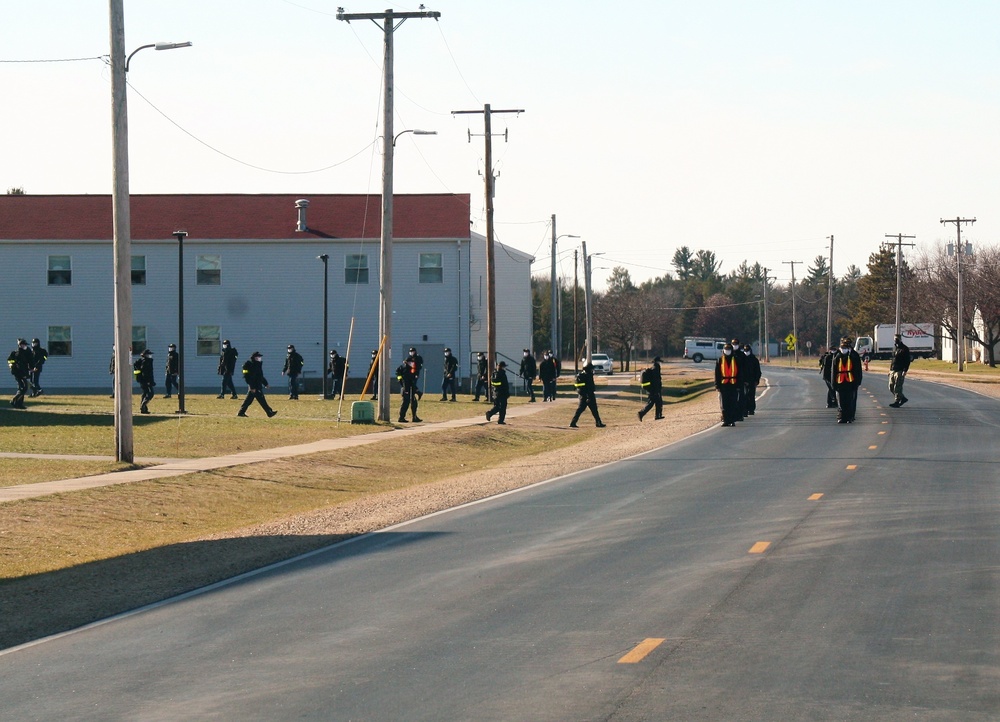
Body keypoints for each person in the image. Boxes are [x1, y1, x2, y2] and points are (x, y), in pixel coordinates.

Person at [831, 337, 863, 424]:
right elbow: (833, 371)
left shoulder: (853, 356)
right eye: (842, 348)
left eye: (845, 348)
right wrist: (833, 384)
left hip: (850, 382)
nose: (843, 349)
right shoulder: (837, 357)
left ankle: (850, 417)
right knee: (841, 401)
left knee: (850, 400)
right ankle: (842, 417)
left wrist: (857, 382)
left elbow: (857, 370)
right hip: (840, 382)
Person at [238, 351, 277, 418]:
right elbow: (248, 377)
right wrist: (252, 387)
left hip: (258, 385)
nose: (259, 358)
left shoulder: (258, 365)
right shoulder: (249, 365)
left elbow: (260, 376)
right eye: (258, 357)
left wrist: (266, 383)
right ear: (254, 358)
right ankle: (269, 412)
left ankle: (241, 412)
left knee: (250, 400)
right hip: (254, 386)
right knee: (261, 400)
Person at [570, 362, 605, 428]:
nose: (592, 370)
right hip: (588, 396)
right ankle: (598, 423)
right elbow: (589, 387)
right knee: (593, 409)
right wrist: (588, 397)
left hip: (583, 395)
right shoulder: (588, 376)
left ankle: (573, 422)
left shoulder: (582, 375)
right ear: (589, 369)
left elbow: (576, 387)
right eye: (591, 369)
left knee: (582, 410)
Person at [715, 343, 742, 427]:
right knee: (724, 404)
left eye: (729, 350)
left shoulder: (737, 360)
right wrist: (717, 385)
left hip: (734, 384)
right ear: (723, 350)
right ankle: (726, 420)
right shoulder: (720, 360)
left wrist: (739, 386)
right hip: (724, 385)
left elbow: (740, 374)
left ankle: (732, 420)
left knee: (733, 403)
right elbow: (717, 374)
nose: (727, 351)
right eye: (726, 349)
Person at [7, 338, 32, 409]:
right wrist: (13, 366)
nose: (25, 346)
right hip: (19, 373)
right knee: (24, 388)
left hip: (22, 373)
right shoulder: (17, 353)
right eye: (24, 345)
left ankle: (18, 404)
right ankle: (14, 400)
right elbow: (12, 362)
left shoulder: (25, 353)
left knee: (21, 388)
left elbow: (28, 362)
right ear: (20, 345)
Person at [637, 356, 664, 421]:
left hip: (652, 389)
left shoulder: (654, 368)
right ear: (657, 362)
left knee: (658, 402)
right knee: (651, 403)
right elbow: (656, 381)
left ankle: (658, 415)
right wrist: (657, 390)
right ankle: (641, 413)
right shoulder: (656, 369)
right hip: (654, 389)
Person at [888, 334, 911, 408]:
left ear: (900, 339)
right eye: (895, 339)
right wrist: (890, 370)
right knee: (891, 387)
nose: (896, 340)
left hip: (900, 370)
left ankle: (897, 401)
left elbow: (907, 361)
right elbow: (893, 360)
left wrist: (905, 370)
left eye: (897, 339)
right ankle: (903, 398)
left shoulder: (904, 349)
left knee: (897, 387)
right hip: (893, 369)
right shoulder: (894, 348)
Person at [396, 358, 422, 423]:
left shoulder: (407, 368)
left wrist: (416, 389)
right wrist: (406, 389)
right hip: (406, 389)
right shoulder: (406, 369)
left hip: (408, 388)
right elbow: (406, 381)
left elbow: (410, 381)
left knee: (414, 402)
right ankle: (401, 417)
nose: (412, 363)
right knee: (405, 403)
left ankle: (414, 417)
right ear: (407, 362)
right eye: (411, 362)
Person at [132, 348, 155, 415]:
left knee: (145, 393)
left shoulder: (143, 361)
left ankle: (143, 409)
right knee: (150, 393)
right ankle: (143, 405)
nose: (150, 356)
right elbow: (146, 373)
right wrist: (149, 381)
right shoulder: (146, 362)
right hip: (146, 381)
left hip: (142, 380)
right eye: (149, 354)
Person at [741, 344, 762, 416]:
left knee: (751, 395)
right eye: (745, 350)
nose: (746, 352)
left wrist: (756, 380)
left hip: (752, 381)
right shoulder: (742, 359)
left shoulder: (754, 360)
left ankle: (751, 409)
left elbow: (758, 371)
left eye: (748, 350)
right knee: (744, 396)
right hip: (743, 381)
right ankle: (744, 410)